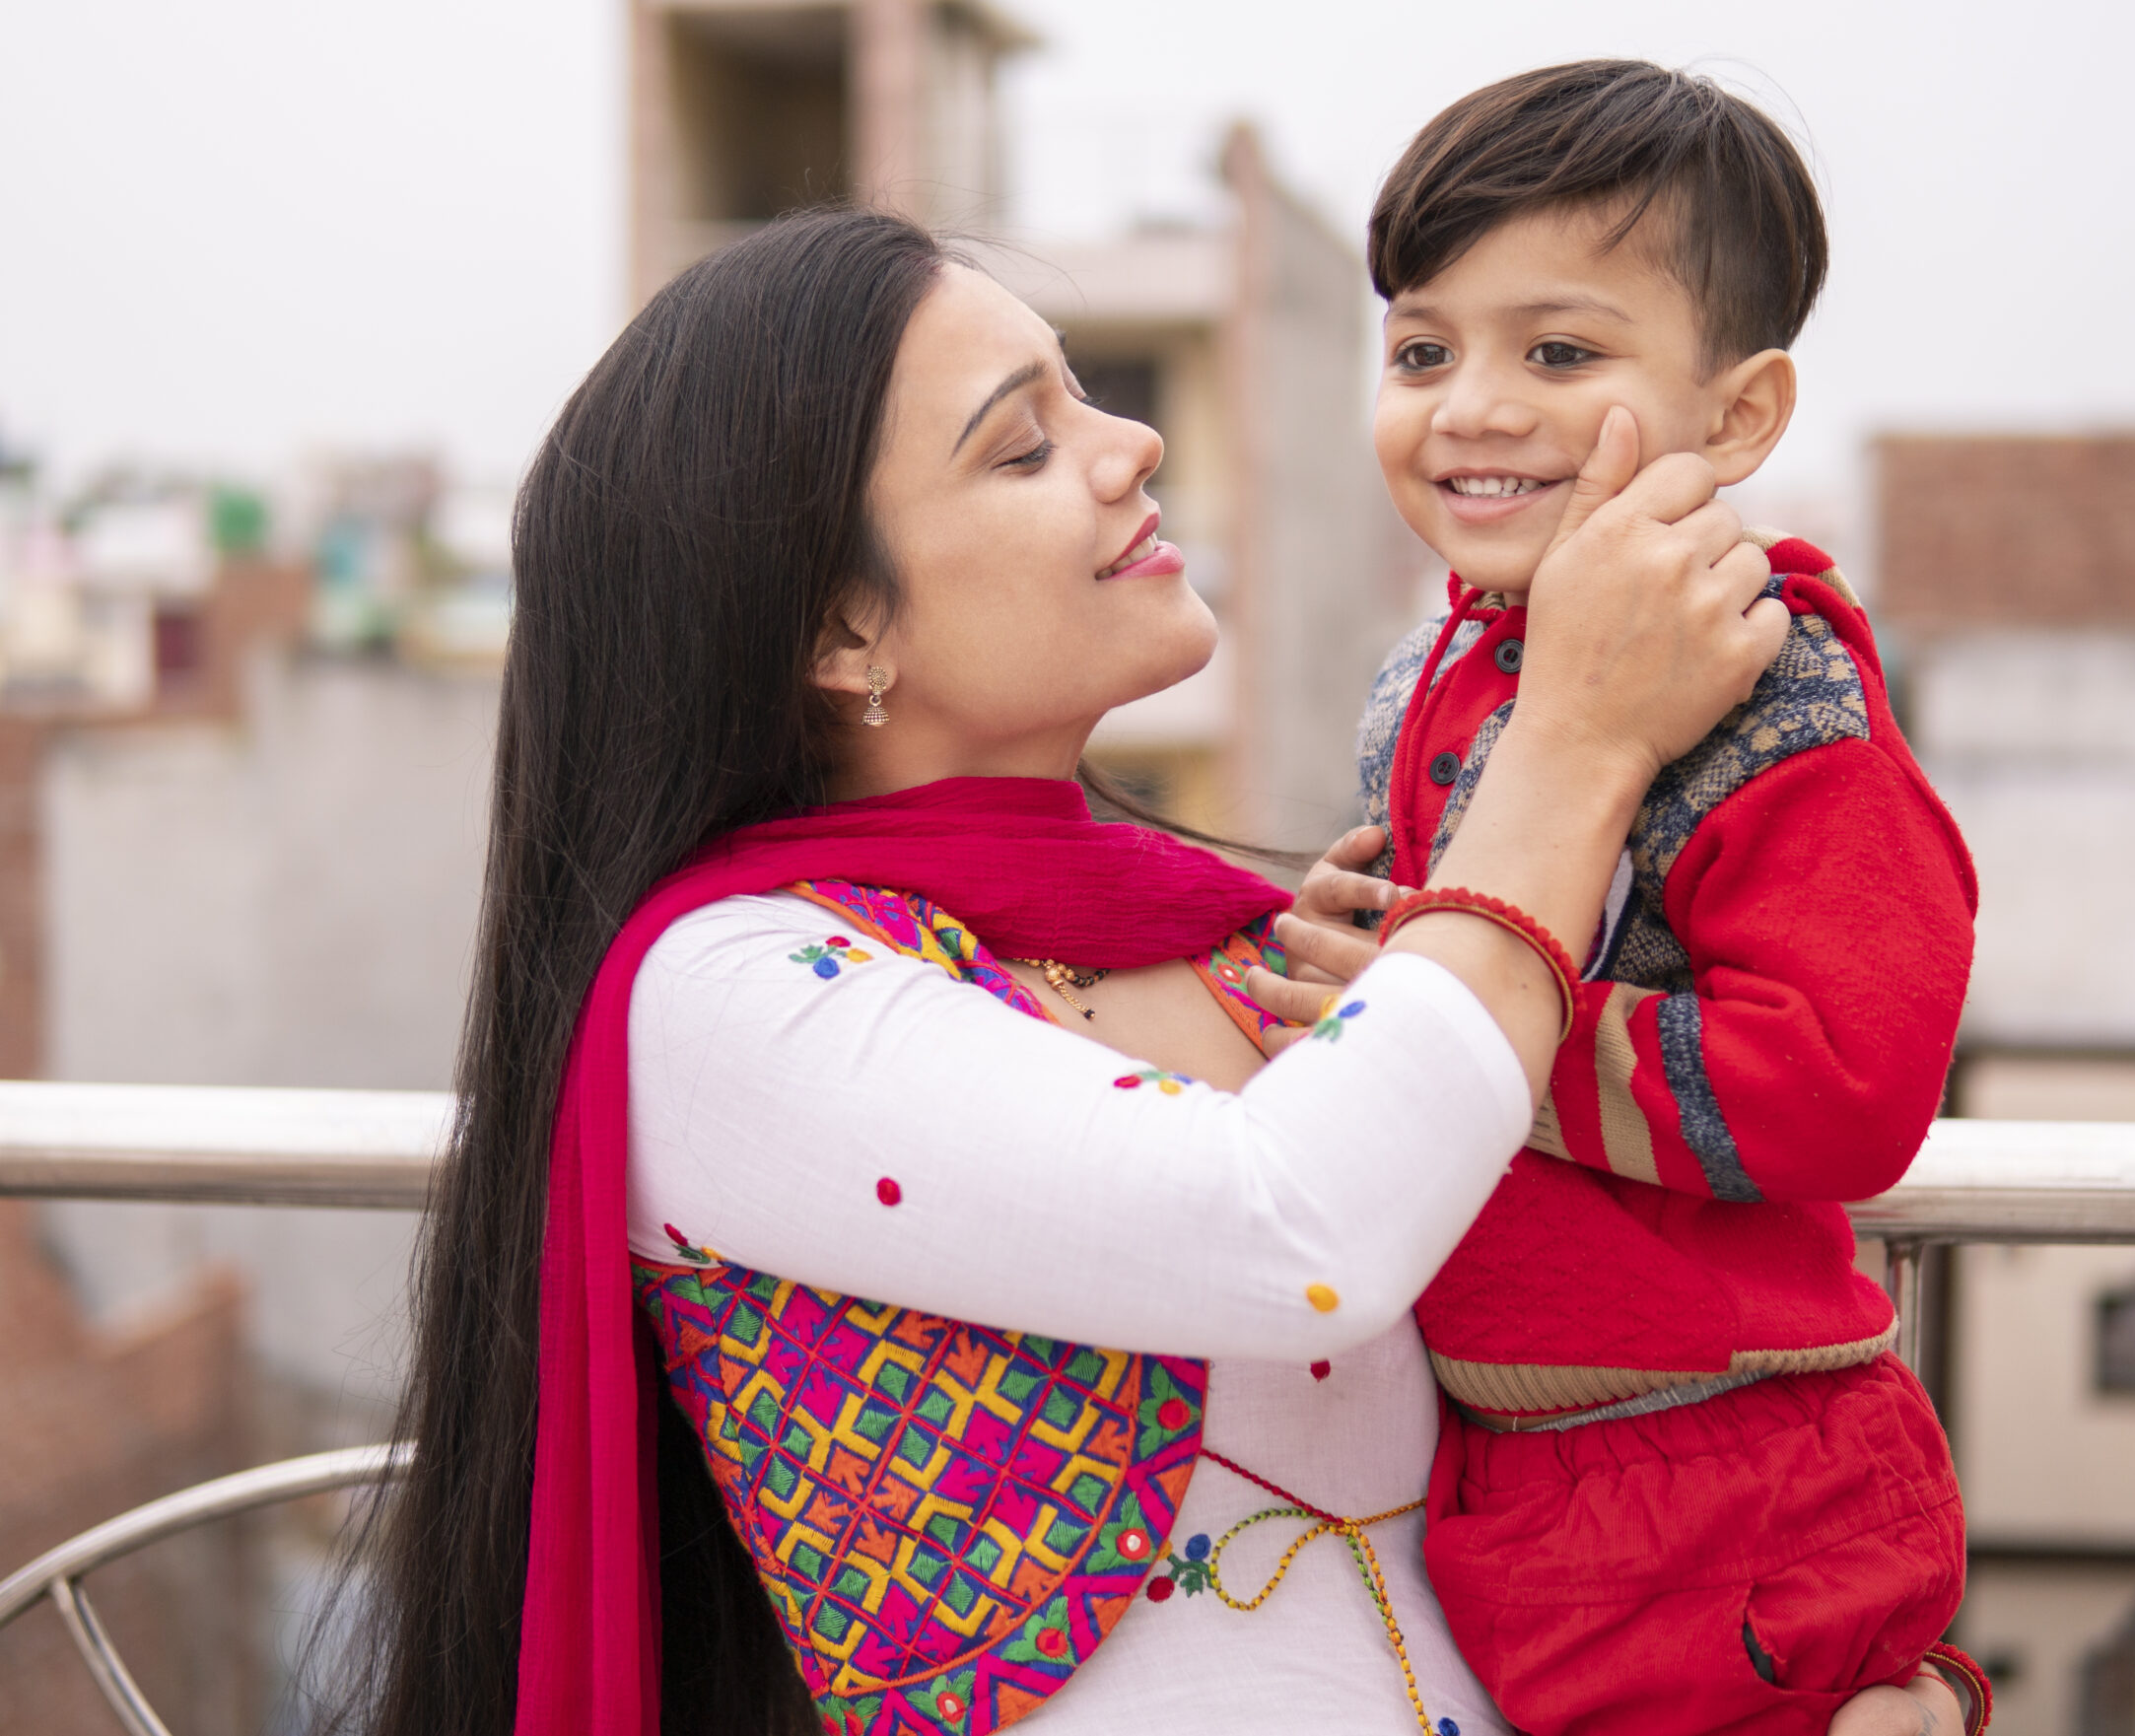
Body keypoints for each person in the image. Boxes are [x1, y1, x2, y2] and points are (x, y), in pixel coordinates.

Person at [352, 206, 1971, 1736]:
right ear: (846, 629)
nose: (1133, 445)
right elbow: (1305, 1230)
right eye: (1025, 441)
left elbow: (1648, 1368)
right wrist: (1580, 738)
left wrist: (1877, 1672)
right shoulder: (729, 996)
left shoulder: (1249, 945)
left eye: (1092, 399)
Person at [1244, 62, 1986, 1736]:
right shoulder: (1427, 680)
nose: (1471, 405)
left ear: (1740, 416)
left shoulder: (1776, 696)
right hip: (1509, 1453)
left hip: (1727, 1462)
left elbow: (1846, 1085)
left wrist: (1474, 1029)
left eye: (1560, 353)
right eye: (1423, 349)